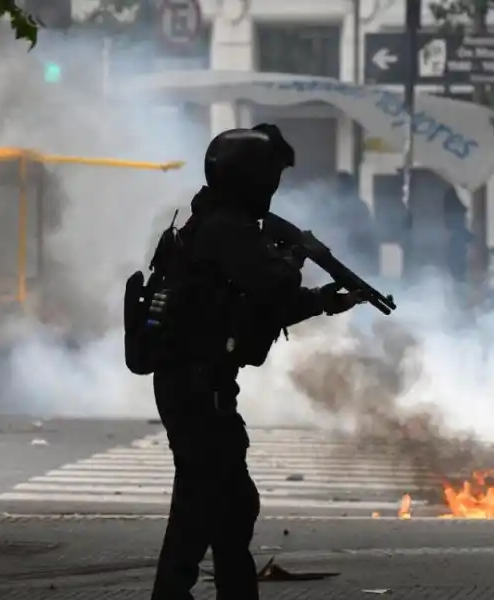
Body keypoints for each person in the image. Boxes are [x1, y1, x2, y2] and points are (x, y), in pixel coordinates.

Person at [143, 124, 367, 600]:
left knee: (229, 506)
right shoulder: (225, 229)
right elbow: (268, 283)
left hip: (202, 384)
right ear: (249, 179)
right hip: (196, 385)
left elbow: (260, 305)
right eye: (269, 179)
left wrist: (325, 300)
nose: (273, 189)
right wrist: (297, 255)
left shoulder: (222, 225)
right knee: (199, 507)